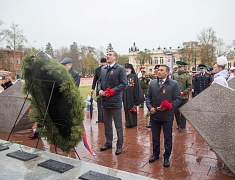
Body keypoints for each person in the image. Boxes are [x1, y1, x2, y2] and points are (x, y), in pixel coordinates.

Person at [29, 57, 80, 139]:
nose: (63, 67)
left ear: (70, 65)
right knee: (44, 114)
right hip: (54, 98)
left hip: (64, 100)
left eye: (64, 65)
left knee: (62, 119)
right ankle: (38, 133)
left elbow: (75, 87)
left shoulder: (75, 75)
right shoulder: (59, 73)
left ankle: (66, 135)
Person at [146, 65, 181, 167]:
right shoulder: (152, 83)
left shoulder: (173, 84)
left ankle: (166, 157)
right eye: (158, 70)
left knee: (168, 137)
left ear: (167, 73)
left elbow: (178, 99)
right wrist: (150, 107)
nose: (159, 72)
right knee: (155, 137)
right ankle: (155, 154)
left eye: (162, 70)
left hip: (167, 116)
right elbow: (148, 97)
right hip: (154, 116)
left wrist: (169, 106)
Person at [98, 50, 127, 155]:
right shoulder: (103, 69)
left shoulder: (120, 69)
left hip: (115, 101)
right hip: (105, 101)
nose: (107, 56)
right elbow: (100, 82)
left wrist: (112, 91)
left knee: (118, 125)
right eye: (107, 55)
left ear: (115, 57)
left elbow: (124, 84)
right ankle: (108, 143)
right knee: (107, 124)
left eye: (110, 55)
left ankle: (119, 145)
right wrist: (100, 90)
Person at [171, 61, 192, 132]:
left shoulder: (187, 75)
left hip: (184, 97)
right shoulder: (174, 75)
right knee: (176, 111)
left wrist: (184, 92)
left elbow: (189, 86)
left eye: (180, 67)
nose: (179, 68)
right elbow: (171, 85)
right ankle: (179, 124)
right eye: (178, 67)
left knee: (183, 112)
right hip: (175, 97)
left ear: (184, 67)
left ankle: (182, 126)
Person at [123, 63, 144, 128]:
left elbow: (137, 87)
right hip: (125, 95)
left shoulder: (134, 76)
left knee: (132, 108)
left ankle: (133, 122)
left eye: (128, 69)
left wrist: (137, 97)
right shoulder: (123, 76)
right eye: (125, 69)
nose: (126, 70)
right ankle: (128, 122)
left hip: (132, 95)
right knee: (126, 108)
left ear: (131, 69)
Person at [91, 58, 107, 123]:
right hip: (99, 88)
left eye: (104, 62)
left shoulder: (108, 69)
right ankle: (100, 118)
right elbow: (95, 79)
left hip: (106, 88)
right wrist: (93, 88)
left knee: (105, 103)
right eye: (102, 62)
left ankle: (106, 118)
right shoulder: (97, 70)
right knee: (99, 103)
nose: (103, 64)